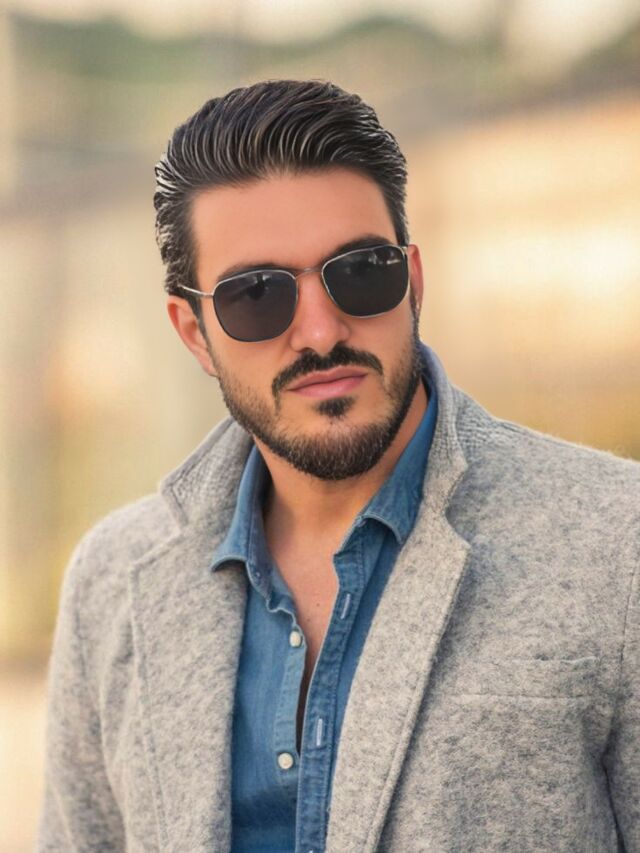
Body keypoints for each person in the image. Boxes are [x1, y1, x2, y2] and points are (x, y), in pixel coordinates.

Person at [37, 78, 639, 853]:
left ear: (412, 282)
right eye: (257, 295)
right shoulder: (113, 581)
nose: (321, 332)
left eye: (360, 271)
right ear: (193, 334)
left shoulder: (615, 543)